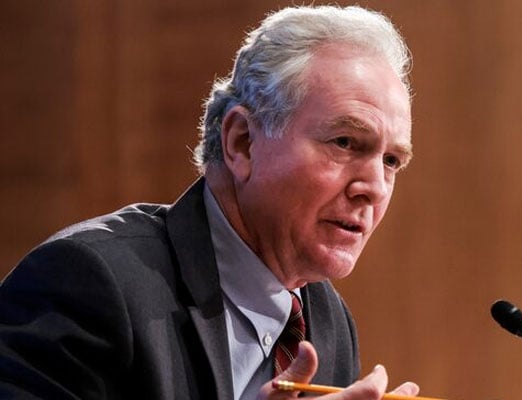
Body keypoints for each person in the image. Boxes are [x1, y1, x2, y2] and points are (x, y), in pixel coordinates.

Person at [0, 5, 416, 400]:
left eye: (392, 160)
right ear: (242, 143)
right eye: (344, 142)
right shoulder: (90, 282)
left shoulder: (327, 321)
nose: (375, 187)